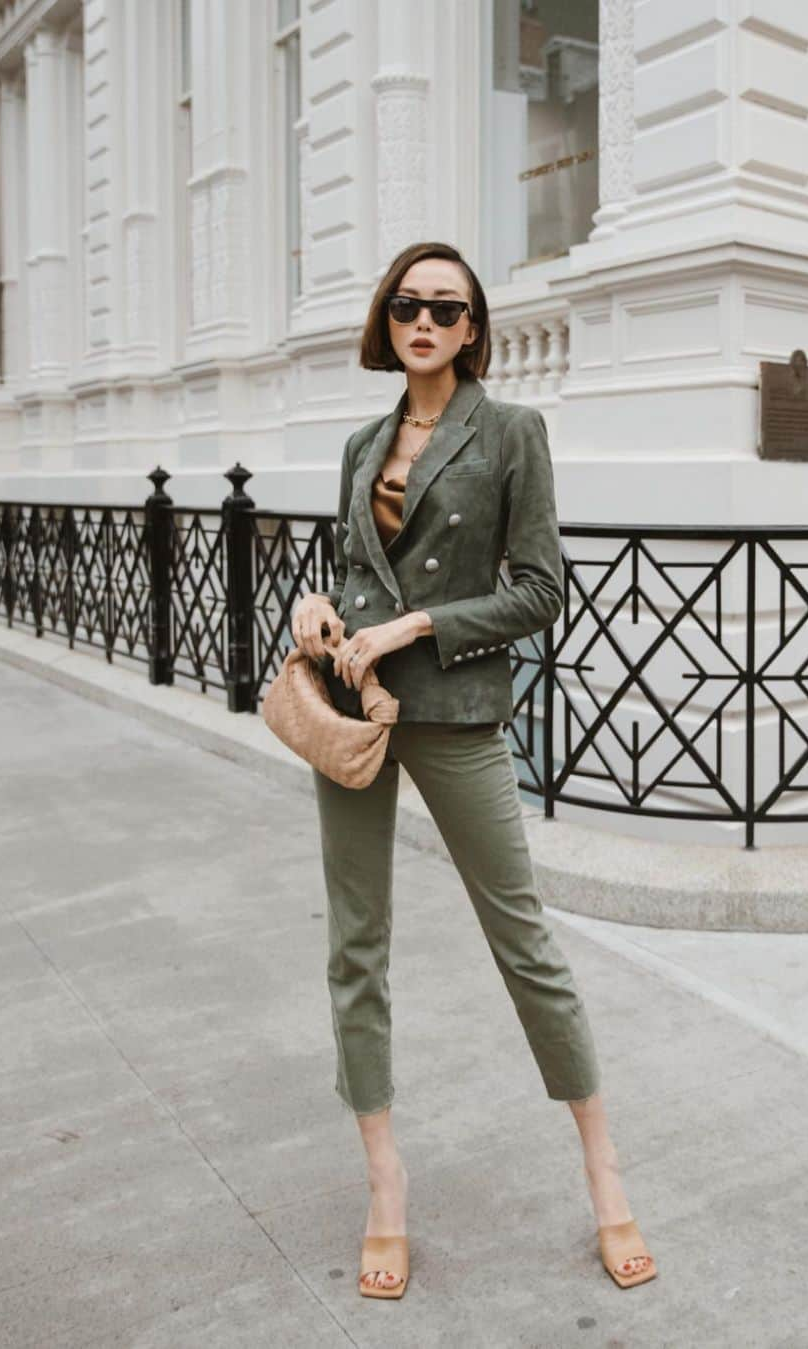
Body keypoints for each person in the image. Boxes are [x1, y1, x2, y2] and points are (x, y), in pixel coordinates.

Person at [291, 241, 657, 1298]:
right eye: (408, 304)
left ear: (474, 328)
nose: (425, 322)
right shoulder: (364, 440)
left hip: (453, 709)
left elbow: (542, 588)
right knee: (355, 943)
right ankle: (385, 1184)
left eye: (446, 309)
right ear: (386, 318)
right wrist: (316, 609)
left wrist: (420, 620)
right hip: (354, 710)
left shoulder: (510, 433)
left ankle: (603, 1168)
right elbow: (353, 569)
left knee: (523, 937)